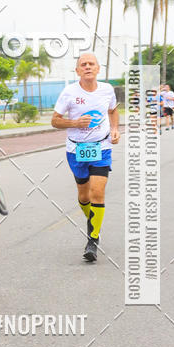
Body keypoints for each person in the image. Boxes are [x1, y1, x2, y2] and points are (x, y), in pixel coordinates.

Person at [51, 53, 120, 262]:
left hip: (102, 147)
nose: (88, 67)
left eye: (91, 64)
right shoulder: (69, 92)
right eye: (83, 64)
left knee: (97, 193)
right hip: (76, 150)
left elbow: (113, 110)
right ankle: (93, 224)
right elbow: (55, 121)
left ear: (98, 68)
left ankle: (93, 239)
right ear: (78, 70)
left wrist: (115, 128)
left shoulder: (107, 89)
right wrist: (75, 123)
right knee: (84, 196)